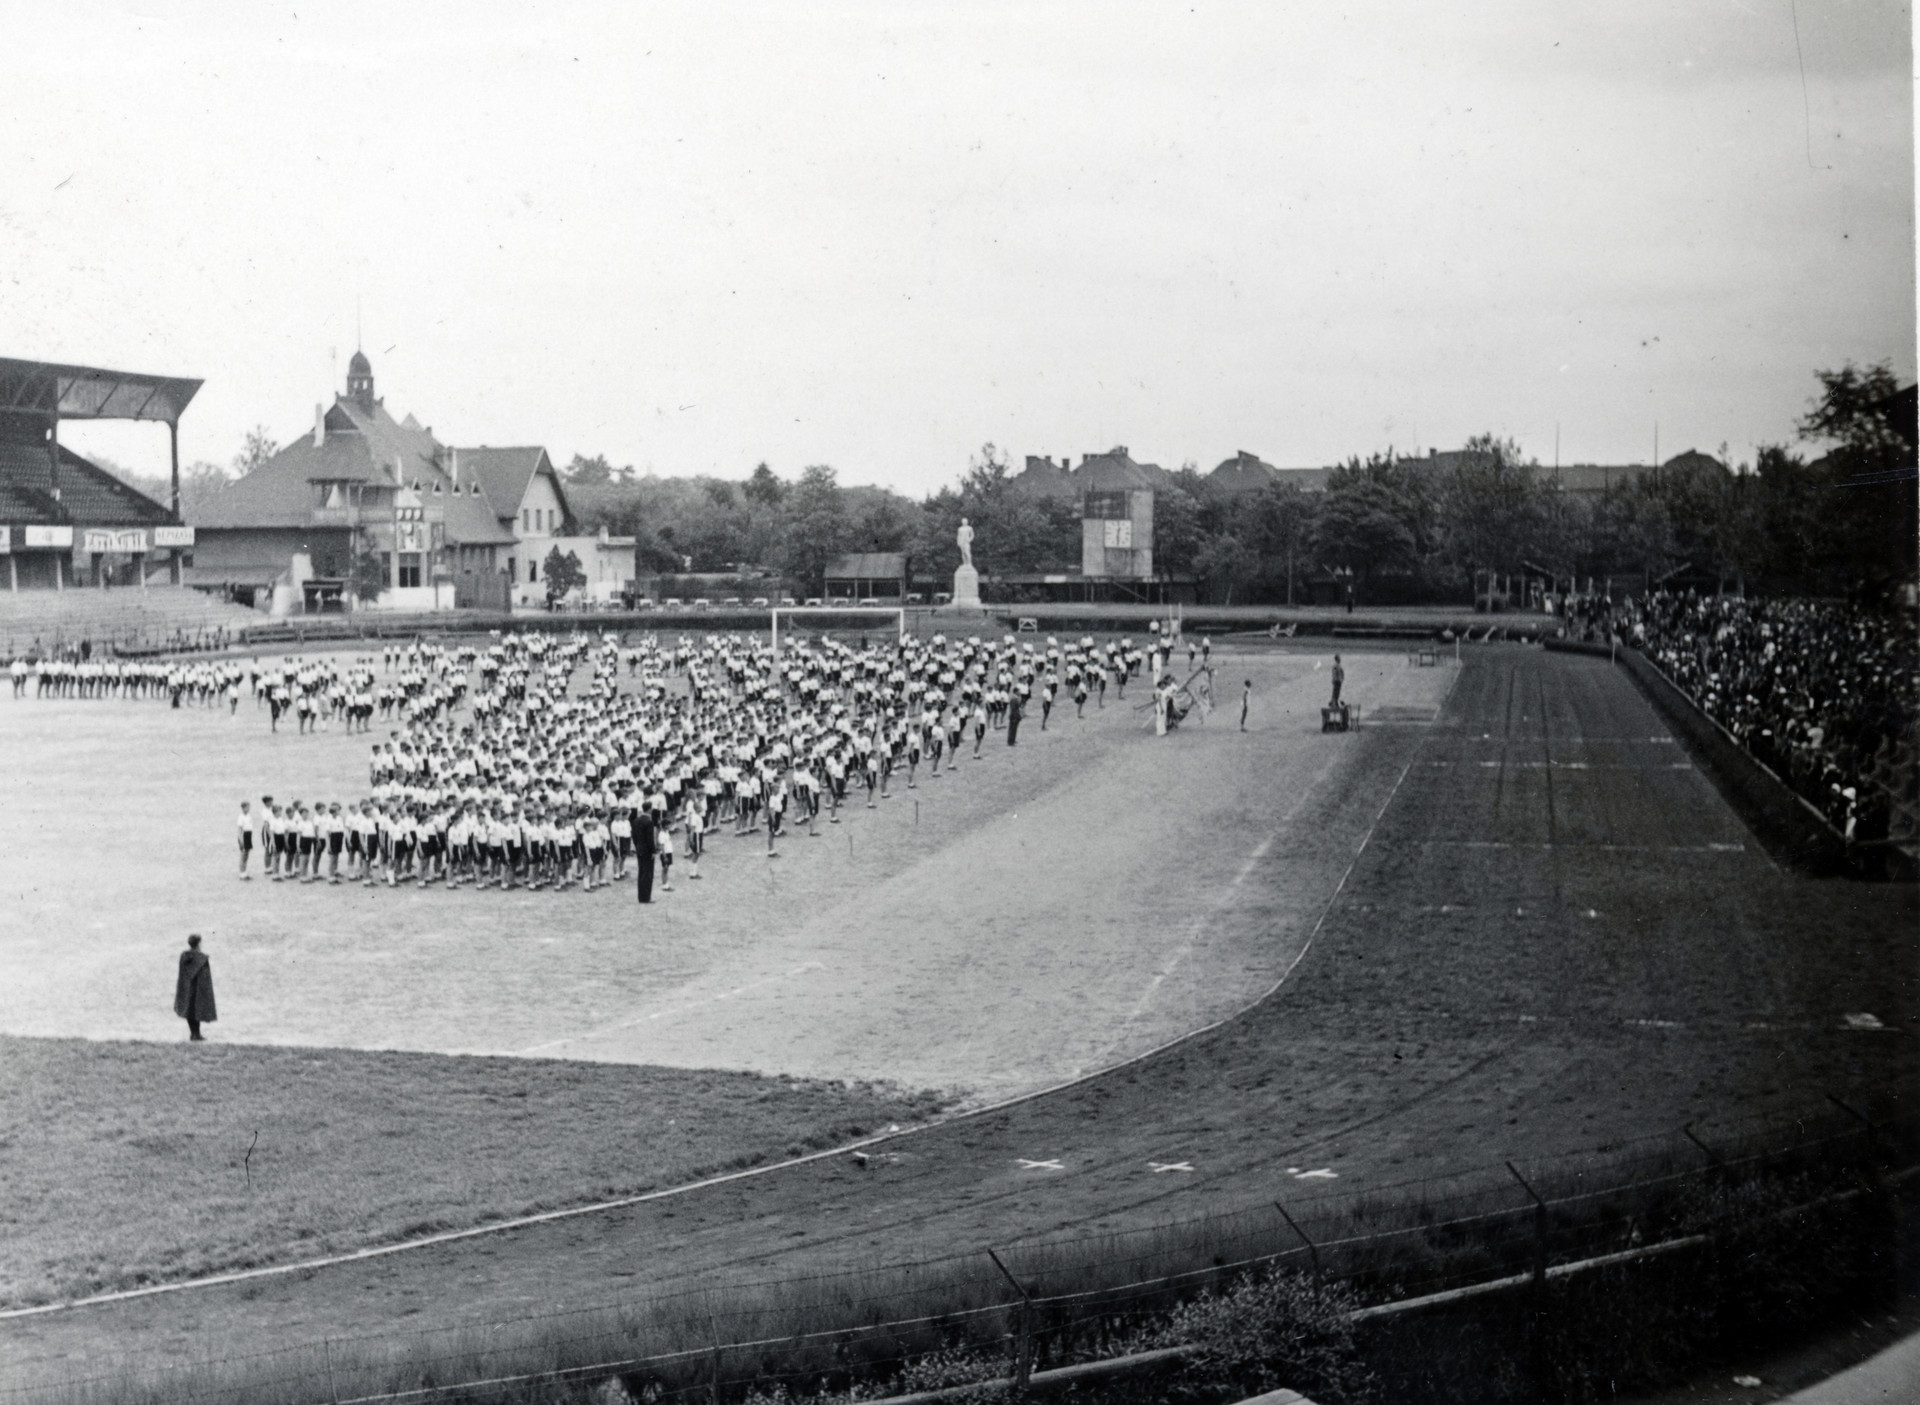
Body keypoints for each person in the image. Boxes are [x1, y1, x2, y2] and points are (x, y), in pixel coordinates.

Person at [174, 934, 216, 1041]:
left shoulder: (184, 956)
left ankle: (193, 1034)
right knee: (196, 1011)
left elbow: (182, 973)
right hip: (197, 989)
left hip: (186, 988)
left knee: (189, 1011)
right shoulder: (201, 958)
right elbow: (205, 977)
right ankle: (196, 1034)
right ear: (198, 943)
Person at [634, 808, 656, 903]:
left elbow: (634, 835)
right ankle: (646, 897)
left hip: (639, 848)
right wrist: (653, 851)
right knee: (648, 874)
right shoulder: (649, 822)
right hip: (647, 850)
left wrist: (637, 846)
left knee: (641, 872)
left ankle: (641, 896)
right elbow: (650, 839)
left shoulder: (636, 820)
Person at [237, 800, 254, 879]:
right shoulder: (241, 817)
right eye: (247, 807)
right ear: (243, 808)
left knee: (247, 854)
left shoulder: (249, 816)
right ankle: (242, 872)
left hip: (248, 835)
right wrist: (241, 840)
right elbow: (240, 829)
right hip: (243, 836)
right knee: (243, 855)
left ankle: (245, 871)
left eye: (249, 807)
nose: (248, 809)